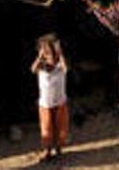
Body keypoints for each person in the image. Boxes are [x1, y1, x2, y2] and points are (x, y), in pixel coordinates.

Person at [31, 34, 69, 162]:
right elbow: (33, 69)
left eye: (52, 54)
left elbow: (65, 68)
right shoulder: (41, 66)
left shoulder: (60, 65)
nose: (50, 58)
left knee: (61, 127)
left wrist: (60, 54)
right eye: (47, 54)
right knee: (46, 128)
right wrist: (40, 56)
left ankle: (58, 149)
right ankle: (47, 150)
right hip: (45, 104)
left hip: (60, 103)